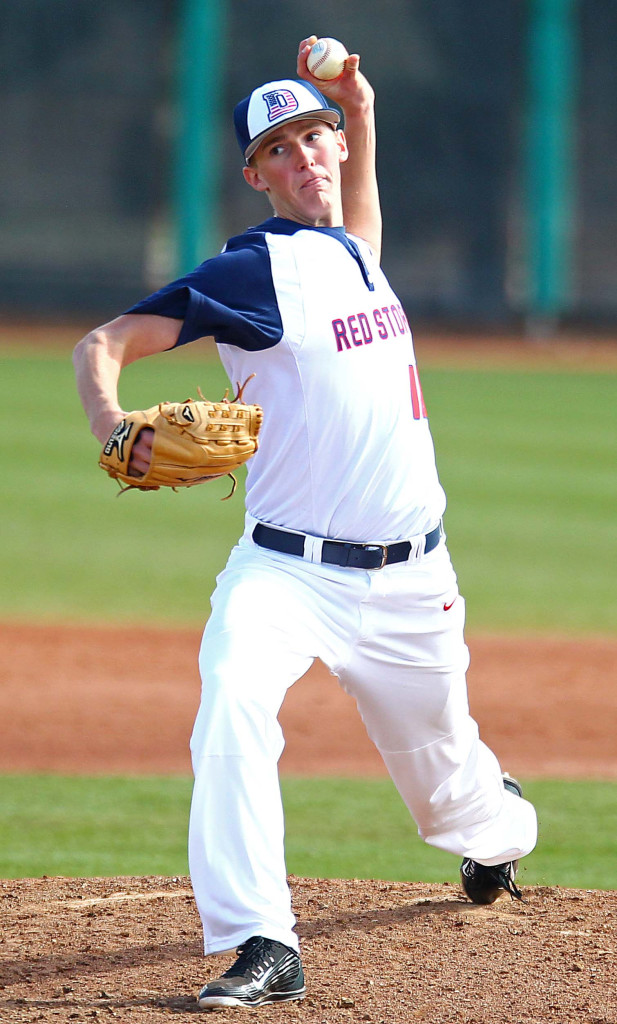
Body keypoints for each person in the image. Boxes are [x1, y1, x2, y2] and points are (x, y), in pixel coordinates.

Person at [73, 36, 538, 1010]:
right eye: (278, 149)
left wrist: (358, 107)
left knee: (454, 801)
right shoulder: (255, 270)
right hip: (284, 575)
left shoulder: (352, 253)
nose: (304, 158)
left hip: (412, 583)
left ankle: (495, 832)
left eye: (312, 138)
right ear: (254, 175)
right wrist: (113, 426)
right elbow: (103, 341)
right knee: (231, 703)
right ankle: (259, 940)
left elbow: (358, 209)